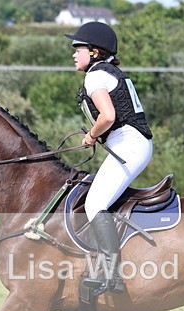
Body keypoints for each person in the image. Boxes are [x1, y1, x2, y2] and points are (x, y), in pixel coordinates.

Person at [66, 21, 154, 293]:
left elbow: (108, 116)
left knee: (95, 204)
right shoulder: (108, 71)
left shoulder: (95, 75)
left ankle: (112, 276)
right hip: (130, 143)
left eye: (77, 48)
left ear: (94, 51)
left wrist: (91, 135)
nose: (73, 54)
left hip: (130, 144)